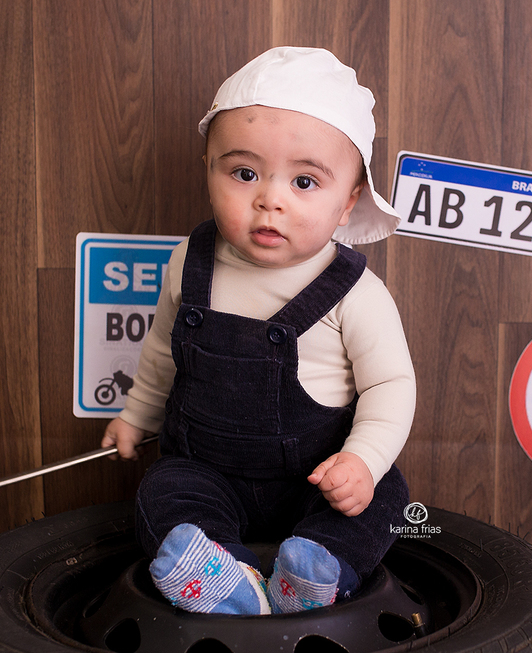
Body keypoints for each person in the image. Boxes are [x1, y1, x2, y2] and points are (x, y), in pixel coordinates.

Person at [102, 47, 415, 616]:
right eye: (244, 174)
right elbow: (163, 352)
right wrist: (136, 415)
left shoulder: (356, 293)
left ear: (348, 202)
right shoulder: (190, 262)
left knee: (385, 495)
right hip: (208, 471)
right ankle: (223, 574)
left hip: (317, 479)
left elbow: (389, 385)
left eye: (305, 181)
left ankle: (315, 569)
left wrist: (362, 461)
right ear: (209, 169)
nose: (270, 199)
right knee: (163, 491)